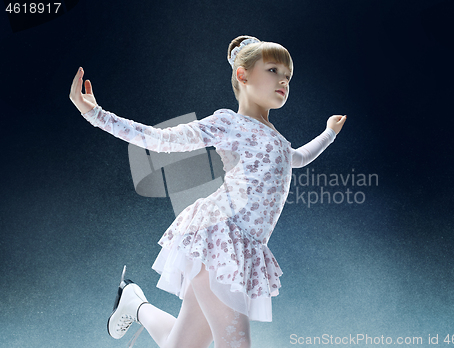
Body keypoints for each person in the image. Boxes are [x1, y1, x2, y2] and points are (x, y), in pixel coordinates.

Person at [69, 35, 346, 348]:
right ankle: (136, 305)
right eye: (273, 71)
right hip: (219, 238)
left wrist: (328, 134)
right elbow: (161, 140)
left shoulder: (279, 141)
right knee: (235, 344)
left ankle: (135, 305)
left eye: (288, 76)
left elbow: (297, 159)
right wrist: (96, 114)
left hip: (243, 248)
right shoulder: (229, 123)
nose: (283, 80)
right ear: (242, 75)